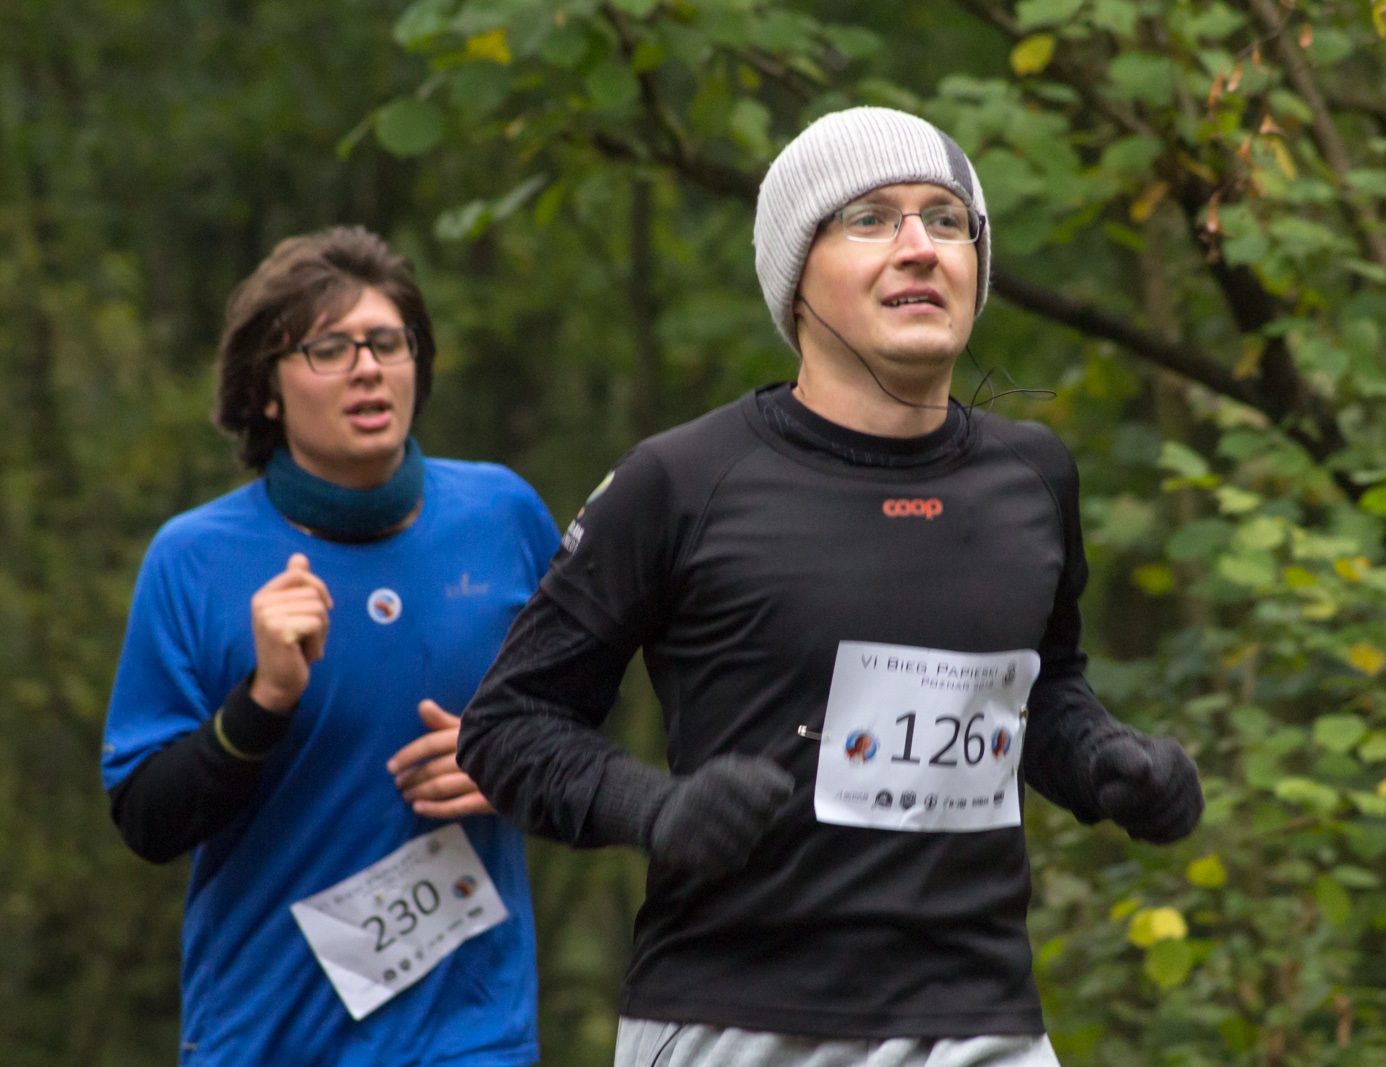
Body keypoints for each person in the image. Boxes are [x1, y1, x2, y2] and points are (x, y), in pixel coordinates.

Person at [458, 108, 1205, 1067]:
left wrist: (1111, 761)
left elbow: (1042, 688)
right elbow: (509, 725)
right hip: (738, 1016)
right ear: (794, 276)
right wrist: (654, 808)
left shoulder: (1032, 476)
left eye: (946, 219)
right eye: (870, 219)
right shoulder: (683, 481)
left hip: (983, 1018)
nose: (918, 247)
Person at [101, 227, 559, 1067]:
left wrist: (511, 761)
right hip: (267, 1033)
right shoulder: (195, 559)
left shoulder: (504, 517)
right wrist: (262, 700)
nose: (367, 366)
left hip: (470, 1031)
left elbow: (580, 720)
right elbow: (146, 818)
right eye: (328, 348)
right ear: (266, 392)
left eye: (388, 342)